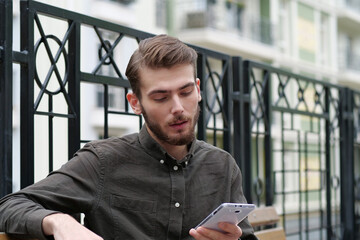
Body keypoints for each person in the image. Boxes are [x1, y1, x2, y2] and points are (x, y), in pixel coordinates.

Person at [0, 34, 257, 240]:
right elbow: (10, 206)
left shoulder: (222, 166)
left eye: (186, 91)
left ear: (198, 90)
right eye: (161, 97)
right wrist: (59, 221)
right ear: (135, 103)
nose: (178, 107)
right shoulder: (102, 161)